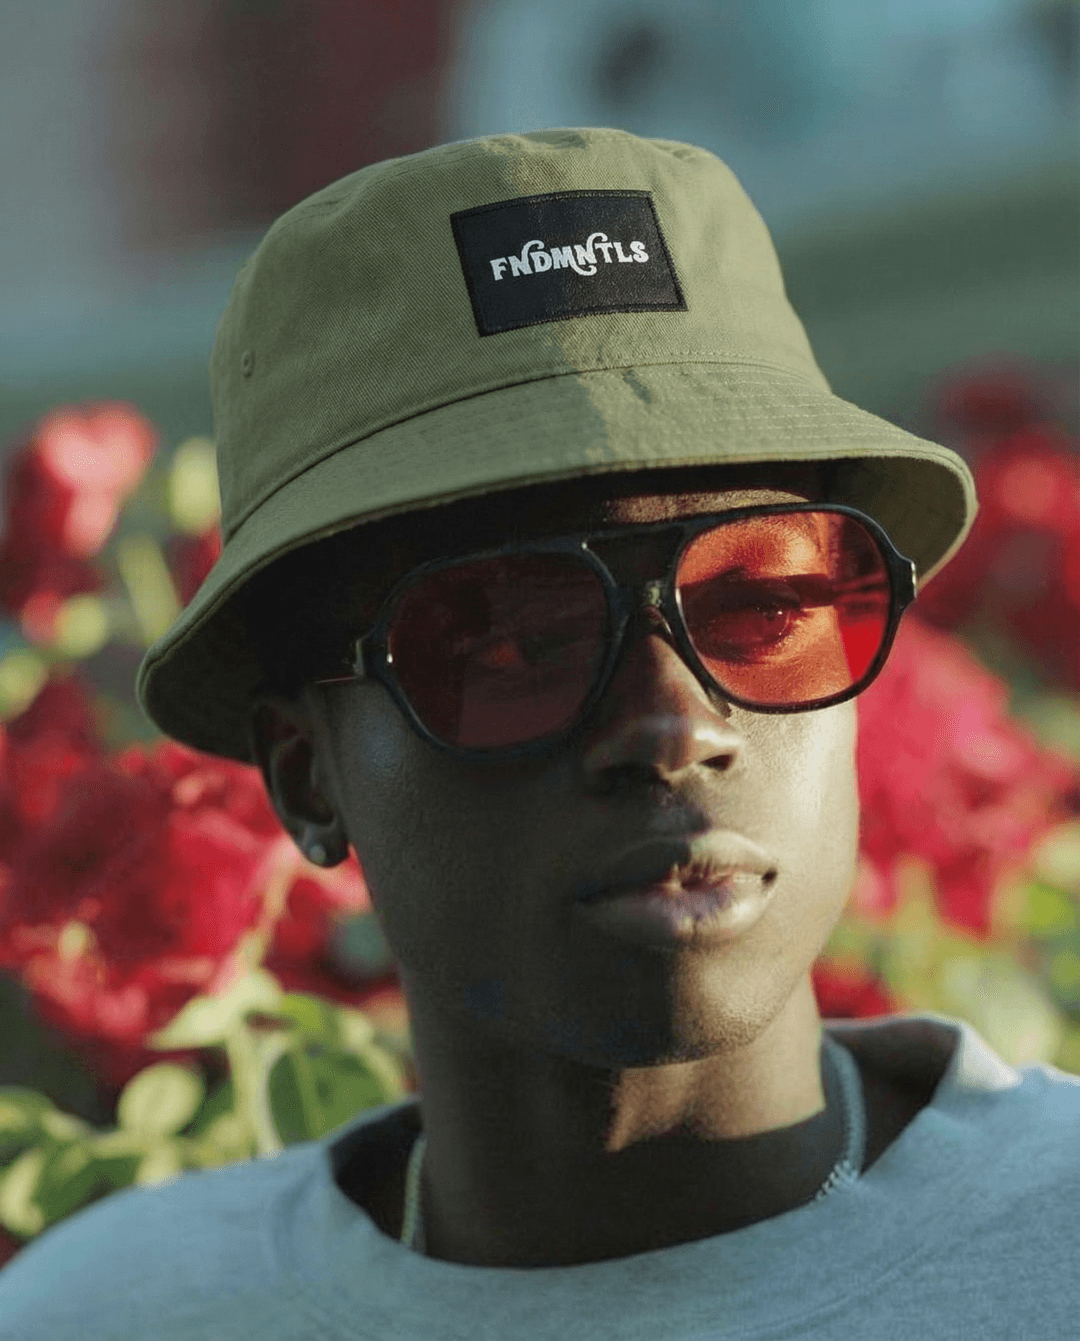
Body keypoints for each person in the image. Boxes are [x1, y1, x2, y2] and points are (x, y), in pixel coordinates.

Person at [0, 127, 1076, 1340]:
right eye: (507, 644)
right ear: (306, 775)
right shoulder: (108, 1318)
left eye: (764, 604)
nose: (672, 725)